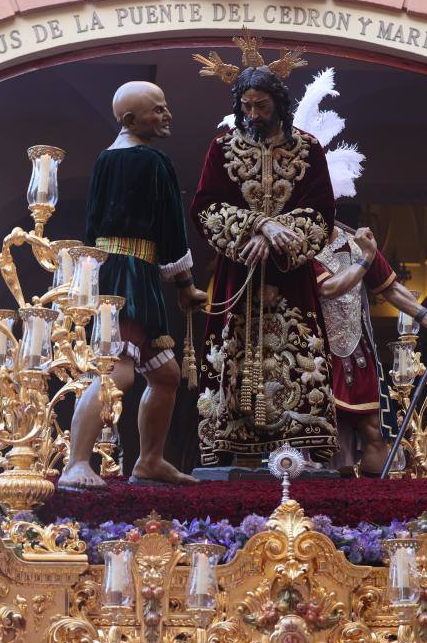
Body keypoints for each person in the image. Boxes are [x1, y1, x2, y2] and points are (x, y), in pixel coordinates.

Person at [191, 34, 337, 467]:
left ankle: (302, 450)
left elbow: (321, 211)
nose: (253, 114)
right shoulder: (222, 147)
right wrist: (256, 224)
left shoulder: (307, 149)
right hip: (239, 271)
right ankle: (230, 447)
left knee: (301, 355)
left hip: (291, 276)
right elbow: (204, 206)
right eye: (247, 106)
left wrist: (278, 234)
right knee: (229, 353)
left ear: (278, 103)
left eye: (262, 106)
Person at [58, 81, 206, 490]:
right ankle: (76, 462)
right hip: (129, 275)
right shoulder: (154, 161)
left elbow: (91, 224)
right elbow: (171, 227)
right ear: (130, 119)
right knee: (117, 372)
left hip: (116, 270)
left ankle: (150, 460)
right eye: (158, 109)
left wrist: (91, 275)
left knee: (166, 376)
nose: (167, 115)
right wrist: (186, 284)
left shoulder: (105, 159)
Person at [313, 223, 427, 475]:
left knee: (375, 432)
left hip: (357, 350)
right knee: (327, 435)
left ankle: (373, 502)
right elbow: (327, 288)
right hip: (315, 353)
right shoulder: (301, 243)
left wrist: (426, 318)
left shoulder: (356, 244)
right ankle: (328, 499)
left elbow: (390, 287)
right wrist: (367, 258)